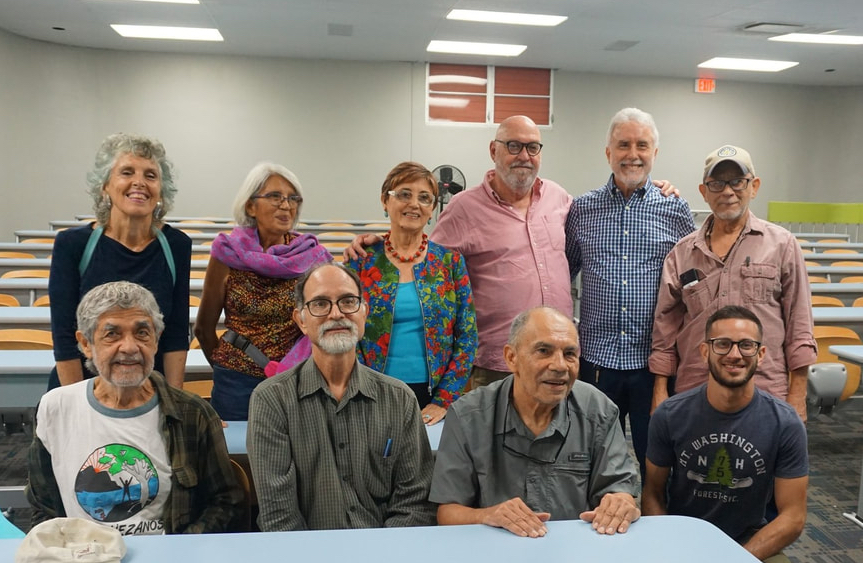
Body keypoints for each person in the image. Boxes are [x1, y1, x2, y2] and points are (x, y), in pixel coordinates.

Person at [347, 116, 572, 388]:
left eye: (532, 147)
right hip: (495, 364)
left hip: (557, 359)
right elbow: (427, 260)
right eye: (513, 146)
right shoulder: (464, 208)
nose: (524, 155)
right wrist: (382, 245)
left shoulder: (559, 198)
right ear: (493, 150)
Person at [27, 281, 241, 535]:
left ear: (156, 340)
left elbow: (225, 501)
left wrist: (182, 548)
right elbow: (43, 509)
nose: (129, 347)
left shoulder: (193, 413)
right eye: (112, 334)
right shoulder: (55, 409)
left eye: (142, 333)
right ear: (86, 344)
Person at [246, 262, 436, 531]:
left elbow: (415, 503)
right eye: (320, 304)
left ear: (363, 313)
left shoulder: (399, 399)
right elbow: (279, 516)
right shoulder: (272, 400)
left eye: (348, 301)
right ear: (301, 320)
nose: (336, 314)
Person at [565, 108, 695, 481]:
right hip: (595, 361)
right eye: (623, 144)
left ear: (655, 153)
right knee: (584, 459)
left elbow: (691, 286)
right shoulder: (583, 209)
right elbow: (563, 273)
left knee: (657, 460)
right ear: (608, 152)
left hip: (652, 365)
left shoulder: (675, 210)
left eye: (642, 145)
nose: (632, 154)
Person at [429, 307, 640, 538]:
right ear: (512, 357)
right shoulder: (468, 416)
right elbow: (447, 513)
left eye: (570, 353)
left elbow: (620, 491)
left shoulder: (599, 410)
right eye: (543, 351)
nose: (560, 366)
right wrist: (488, 515)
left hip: (575, 550)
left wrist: (620, 503)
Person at [650, 145, 816, 420]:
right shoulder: (681, 253)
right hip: (695, 389)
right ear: (704, 192)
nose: (727, 192)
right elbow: (664, 331)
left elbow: (800, 325)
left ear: (754, 186)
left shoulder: (783, 245)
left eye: (738, 181)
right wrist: (659, 391)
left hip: (765, 390)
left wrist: (797, 395)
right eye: (717, 183)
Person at [644, 306, 808, 562]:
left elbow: (793, 517)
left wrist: (737, 559)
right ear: (704, 351)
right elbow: (652, 493)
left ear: (761, 354)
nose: (734, 354)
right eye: (722, 344)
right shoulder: (669, 414)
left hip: (749, 542)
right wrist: (669, 547)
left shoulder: (785, 423)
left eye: (746, 345)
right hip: (681, 538)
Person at [49, 133, 191, 390]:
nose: (139, 182)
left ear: (161, 189)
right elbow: (63, 336)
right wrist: (76, 405)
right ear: (105, 186)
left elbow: (176, 333)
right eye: (127, 172)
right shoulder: (72, 245)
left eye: (150, 175)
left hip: (149, 388)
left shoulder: (177, 245)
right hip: (81, 385)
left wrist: (175, 404)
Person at [194, 162, 332, 420]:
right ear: (250, 206)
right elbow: (203, 328)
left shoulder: (311, 257)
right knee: (238, 456)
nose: (286, 205)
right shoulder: (227, 253)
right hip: (235, 385)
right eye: (275, 196)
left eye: (293, 198)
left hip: (297, 380)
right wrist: (231, 366)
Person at [344, 161, 477, 425]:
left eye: (424, 198)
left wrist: (444, 400)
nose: (414, 204)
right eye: (404, 194)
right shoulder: (361, 261)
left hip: (431, 396)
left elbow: (467, 337)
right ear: (385, 201)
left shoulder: (449, 263)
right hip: (369, 393)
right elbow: (346, 331)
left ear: (431, 211)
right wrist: (362, 389)